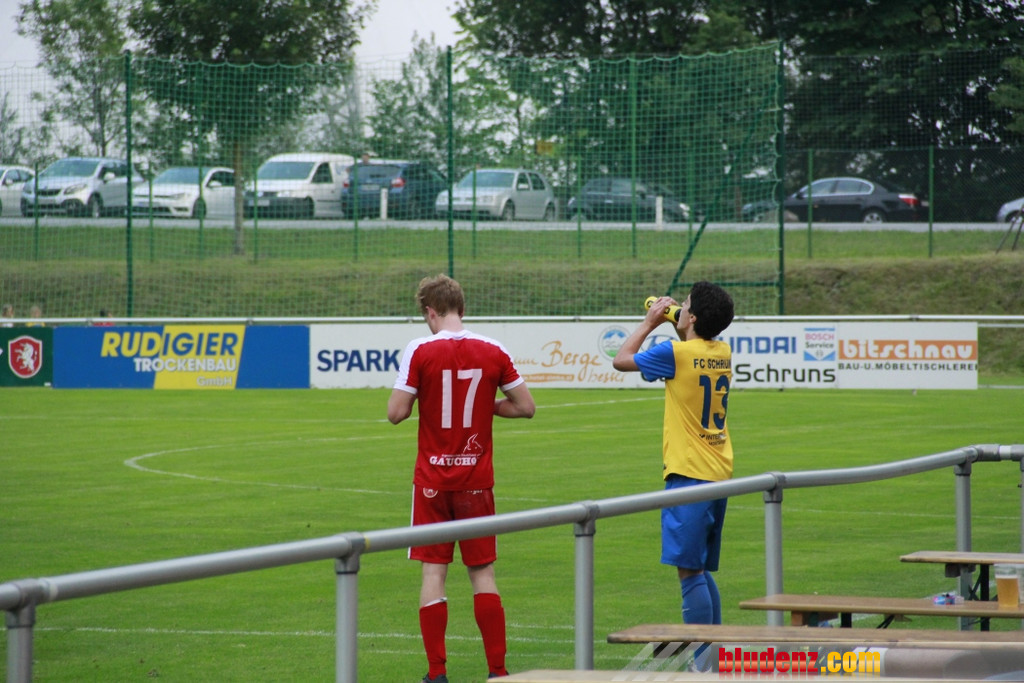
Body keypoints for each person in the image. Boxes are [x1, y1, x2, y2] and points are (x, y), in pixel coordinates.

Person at [388, 273, 536, 683]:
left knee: (433, 573)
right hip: (476, 481)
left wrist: (425, 397)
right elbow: (526, 407)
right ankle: (498, 671)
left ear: (429, 312)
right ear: (462, 308)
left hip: (432, 482)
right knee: (482, 574)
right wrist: (487, 406)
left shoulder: (420, 350)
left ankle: (437, 673)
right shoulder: (492, 349)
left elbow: (396, 413)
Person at [611, 281, 735, 667]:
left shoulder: (675, 354)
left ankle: (702, 663)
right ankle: (712, 658)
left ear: (693, 317)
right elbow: (691, 349)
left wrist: (650, 322)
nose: (679, 306)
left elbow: (622, 359)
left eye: (686, 304)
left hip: (688, 473)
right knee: (699, 568)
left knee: (689, 571)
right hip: (718, 470)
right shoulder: (722, 350)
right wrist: (678, 322)